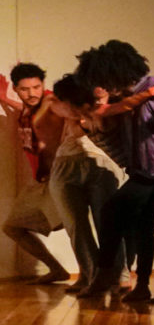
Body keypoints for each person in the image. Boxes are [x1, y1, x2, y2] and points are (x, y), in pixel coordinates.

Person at [80, 39, 154, 310]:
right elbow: (103, 111)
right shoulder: (131, 96)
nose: (102, 86)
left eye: (104, 79)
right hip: (148, 173)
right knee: (126, 217)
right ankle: (131, 282)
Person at [46, 77, 125, 295]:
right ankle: (90, 276)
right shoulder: (63, 104)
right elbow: (55, 106)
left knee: (107, 224)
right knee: (75, 226)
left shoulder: (107, 106)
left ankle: (119, 277)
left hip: (100, 163)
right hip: (65, 163)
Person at [5, 62, 71, 281]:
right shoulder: (28, 107)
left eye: (36, 87)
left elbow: (68, 112)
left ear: (43, 85)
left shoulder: (51, 102)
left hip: (58, 177)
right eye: (25, 89)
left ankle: (99, 276)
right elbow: (22, 108)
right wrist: (4, 99)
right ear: (16, 88)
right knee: (13, 227)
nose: (31, 93)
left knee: (75, 228)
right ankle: (57, 269)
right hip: (39, 182)